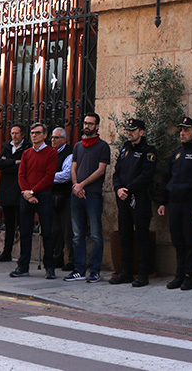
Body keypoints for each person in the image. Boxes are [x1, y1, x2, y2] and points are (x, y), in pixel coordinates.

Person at [158, 116, 192, 290]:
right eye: (181, 130)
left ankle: (189, 275)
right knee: (177, 240)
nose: (182, 133)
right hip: (174, 203)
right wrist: (162, 202)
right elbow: (167, 178)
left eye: (186, 130)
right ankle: (179, 274)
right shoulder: (175, 154)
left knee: (190, 241)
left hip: (190, 204)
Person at [110, 118, 157, 287]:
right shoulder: (125, 150)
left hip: (139, 199)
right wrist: (118, 188)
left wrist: (128, 189)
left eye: (134, 130)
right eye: (129, 130)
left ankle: (143, 274)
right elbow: (117, 173)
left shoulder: (148, 151)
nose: (130, 132)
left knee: (142, 236)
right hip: (123, 198)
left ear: (142, 132)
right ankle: (125, 272)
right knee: (125, 235)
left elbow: (146, 176)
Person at [65, 112, 111, 283]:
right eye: (85, 123)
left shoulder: (103, 146)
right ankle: (79, 270)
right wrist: (76, 185)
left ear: (97, 126)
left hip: (92, 195)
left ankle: (95, 271)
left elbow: (101, 170)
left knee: (96, 235)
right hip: (77, 194)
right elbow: (73, 167)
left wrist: (82, 185)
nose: (87, 126)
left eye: (91, 124)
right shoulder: (77, 146)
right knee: (77, 234)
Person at [10, 122, 59, 279]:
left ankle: (50, 267)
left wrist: (33, 191)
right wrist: (27, 192)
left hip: (43, 195)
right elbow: (21, 175)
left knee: (47, 232)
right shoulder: (26, 153)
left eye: (37, 133)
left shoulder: (51, 153)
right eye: (32, 133)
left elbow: (49, 176)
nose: (34, 135)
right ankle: (22, 266)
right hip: (26, 195)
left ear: (45, 135)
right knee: (25, 231)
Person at [0, 124, 30, 262]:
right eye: (12, 133)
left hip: (20, 189)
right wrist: (14, 162)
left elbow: (24, 167)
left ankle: (23, 255)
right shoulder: (7, 147)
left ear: (23, 135)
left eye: (16, 133)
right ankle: (6, 252)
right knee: (9, 223)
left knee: (23, 223)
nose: (14, 136)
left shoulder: (27, 148)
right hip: (7, 190)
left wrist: (7, 164)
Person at [50, 127, 74, 271]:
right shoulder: (50, 153)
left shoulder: (68, 154)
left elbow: (66, 175)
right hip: (52, 196)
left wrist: (47, 177)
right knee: (55, 230)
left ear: (64, 140)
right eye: (52, 137)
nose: (53, 140)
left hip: (65, 197)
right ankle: (56, 257)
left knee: (67, 230)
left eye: (56, 137)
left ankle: (71, 259)